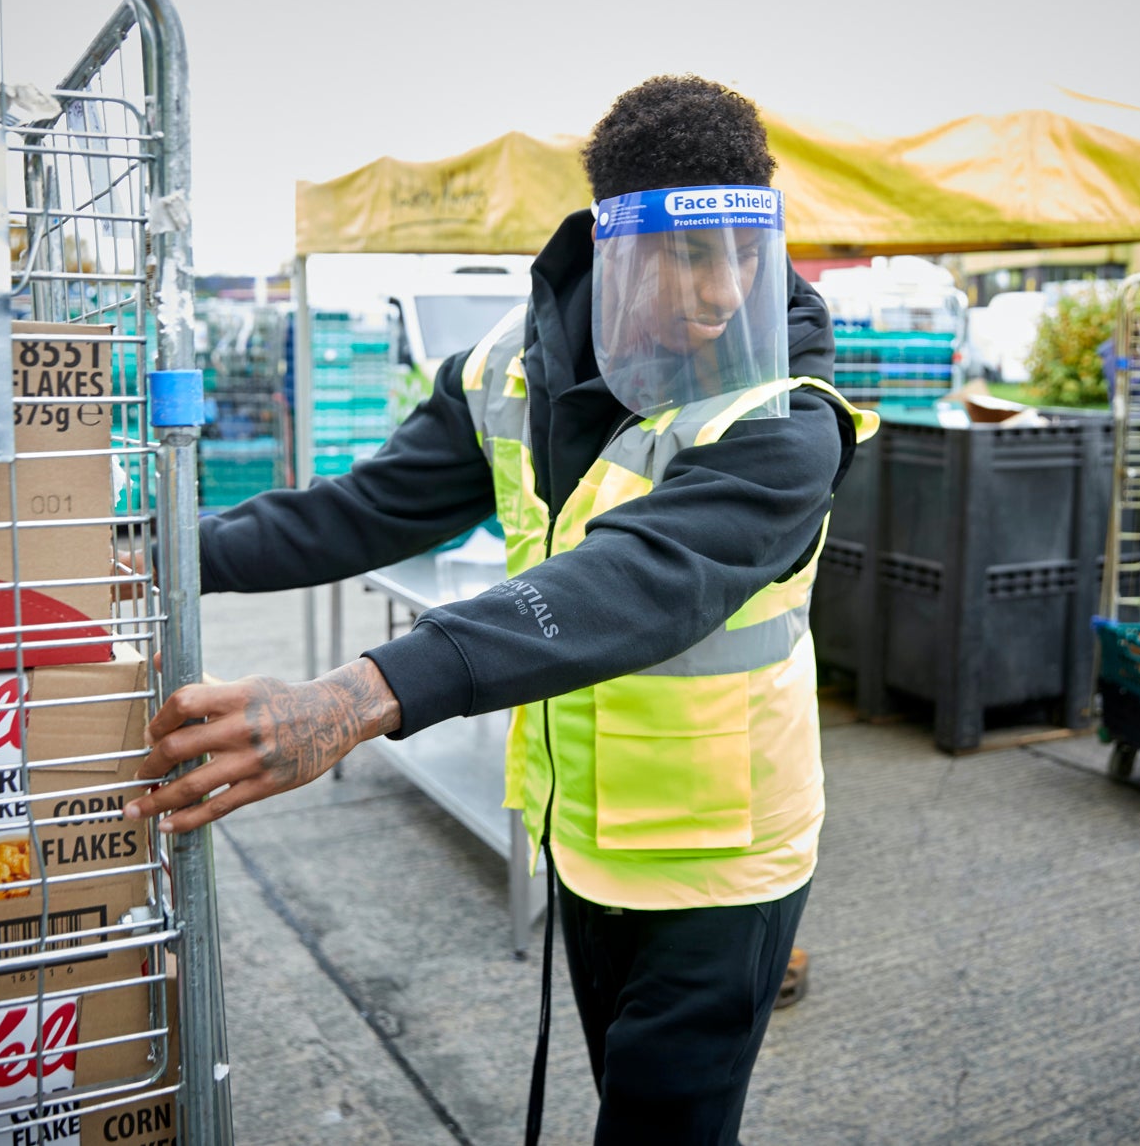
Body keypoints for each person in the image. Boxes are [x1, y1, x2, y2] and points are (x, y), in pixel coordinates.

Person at [123, 75, 873, 1145]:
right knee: (626, 1092)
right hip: (582, 835)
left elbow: (639, 576)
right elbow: (368, 507)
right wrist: (156, 556)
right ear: (613, 242)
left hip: (723, 855)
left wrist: (360, 694)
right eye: (687, 253)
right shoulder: (508, 370)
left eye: (744, 249)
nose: (722, 288)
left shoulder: (785, 412)